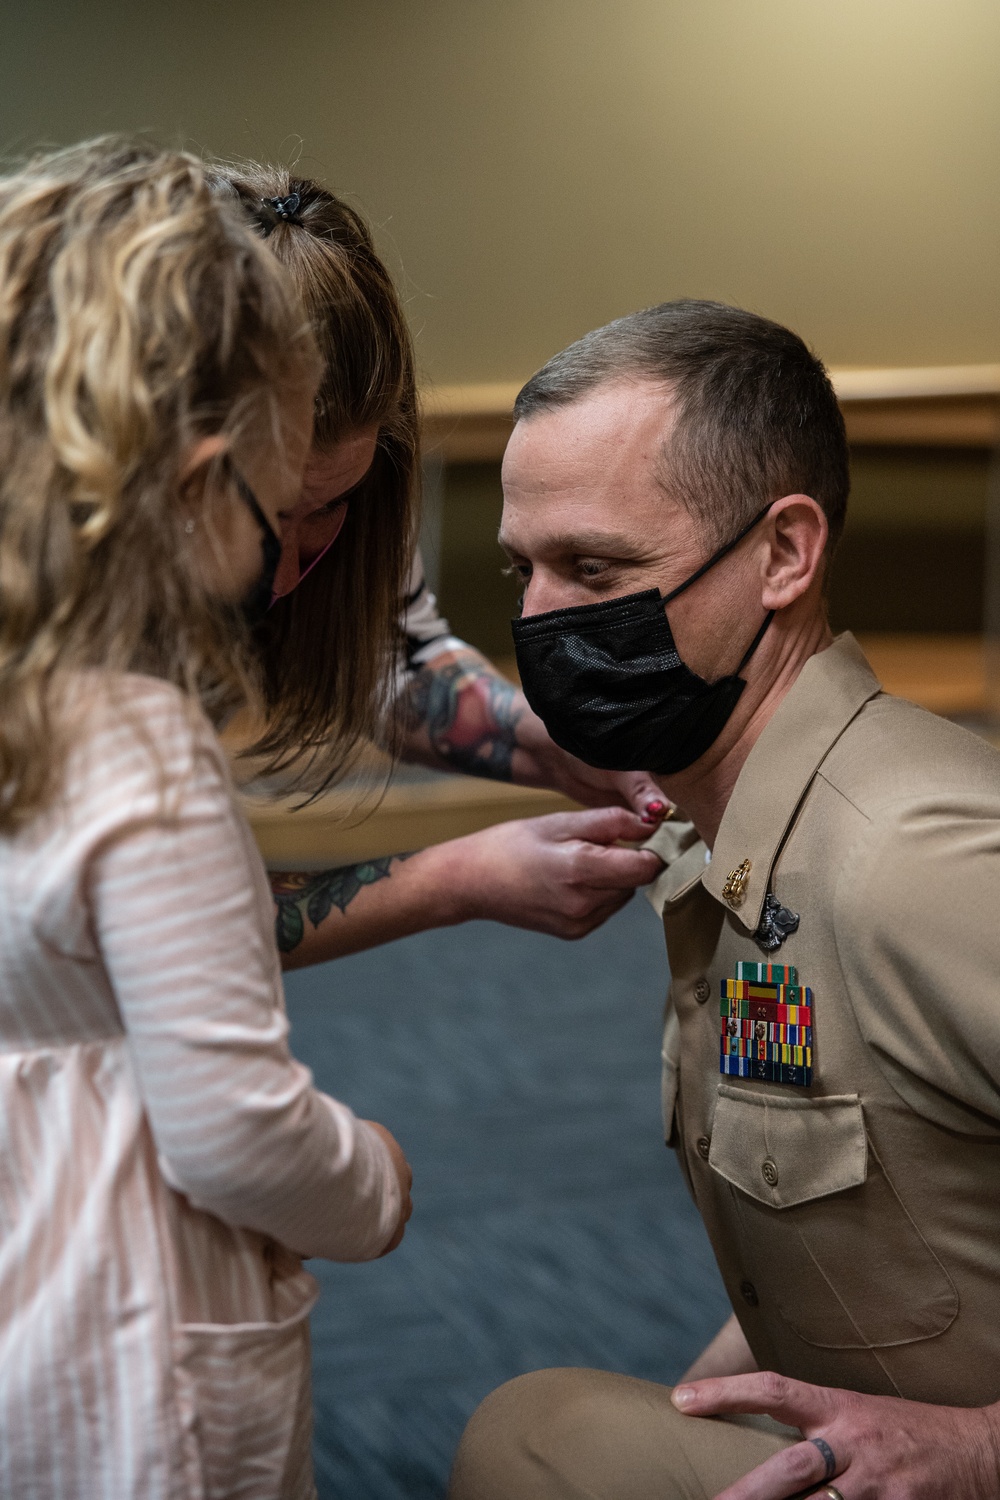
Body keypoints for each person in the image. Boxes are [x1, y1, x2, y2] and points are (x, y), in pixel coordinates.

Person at [448, 301, 1000, 1500]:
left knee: (537, 1436)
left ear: (783, 556)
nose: (538, 620)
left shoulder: (914, 860)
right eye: (523, 569)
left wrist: (974, 1449)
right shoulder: (738, 841)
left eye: (594, 569)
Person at [0, 137, 410, 1497]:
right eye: (271, 501)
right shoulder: (144, 748)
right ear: (190, 477)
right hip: (144, 1356)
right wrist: (372, 1178)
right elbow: (233, 1129)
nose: (285, 554)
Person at [209, 163, 665, 964]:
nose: (286, 576)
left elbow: (390, 660)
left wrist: (542, 739)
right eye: (272, 515)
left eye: (326, 512)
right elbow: (150, 926)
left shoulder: (357, 481)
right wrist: (454, 877)